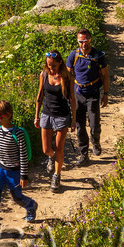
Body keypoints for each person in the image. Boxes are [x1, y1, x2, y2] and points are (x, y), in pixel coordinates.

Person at [0, 100, 38, 242]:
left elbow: (23, 156)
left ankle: (30, 205)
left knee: (17, 197)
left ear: (8, 115)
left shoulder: (18, 133)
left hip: (14, 172)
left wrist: (23, 175)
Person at [32, 50, 76, 191]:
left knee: (59, 149)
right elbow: (40, 96)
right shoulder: (44, 75)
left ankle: (57, 176)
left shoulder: (67, 77)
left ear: (60, 63)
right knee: (46, 149)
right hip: (47, 114)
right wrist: (36, 116)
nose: (51, 68)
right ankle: (53, 158)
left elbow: (72, 99)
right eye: (49, 65)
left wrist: (74, 120)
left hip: (62, 116)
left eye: (54, 66)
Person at [66, 28, 110, 165]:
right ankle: (84, 153)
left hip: (93, 94)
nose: (84, 44)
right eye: (81, 41)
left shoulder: (98, 56)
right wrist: (67, 94)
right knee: (79, 125)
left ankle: (95, 141)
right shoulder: (73, 55)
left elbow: (105, 75)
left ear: (90, 40)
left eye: (86, 41)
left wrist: (106, 94)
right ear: (78, 41)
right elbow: (68, 76)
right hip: (78, 94)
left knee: (94, 123)